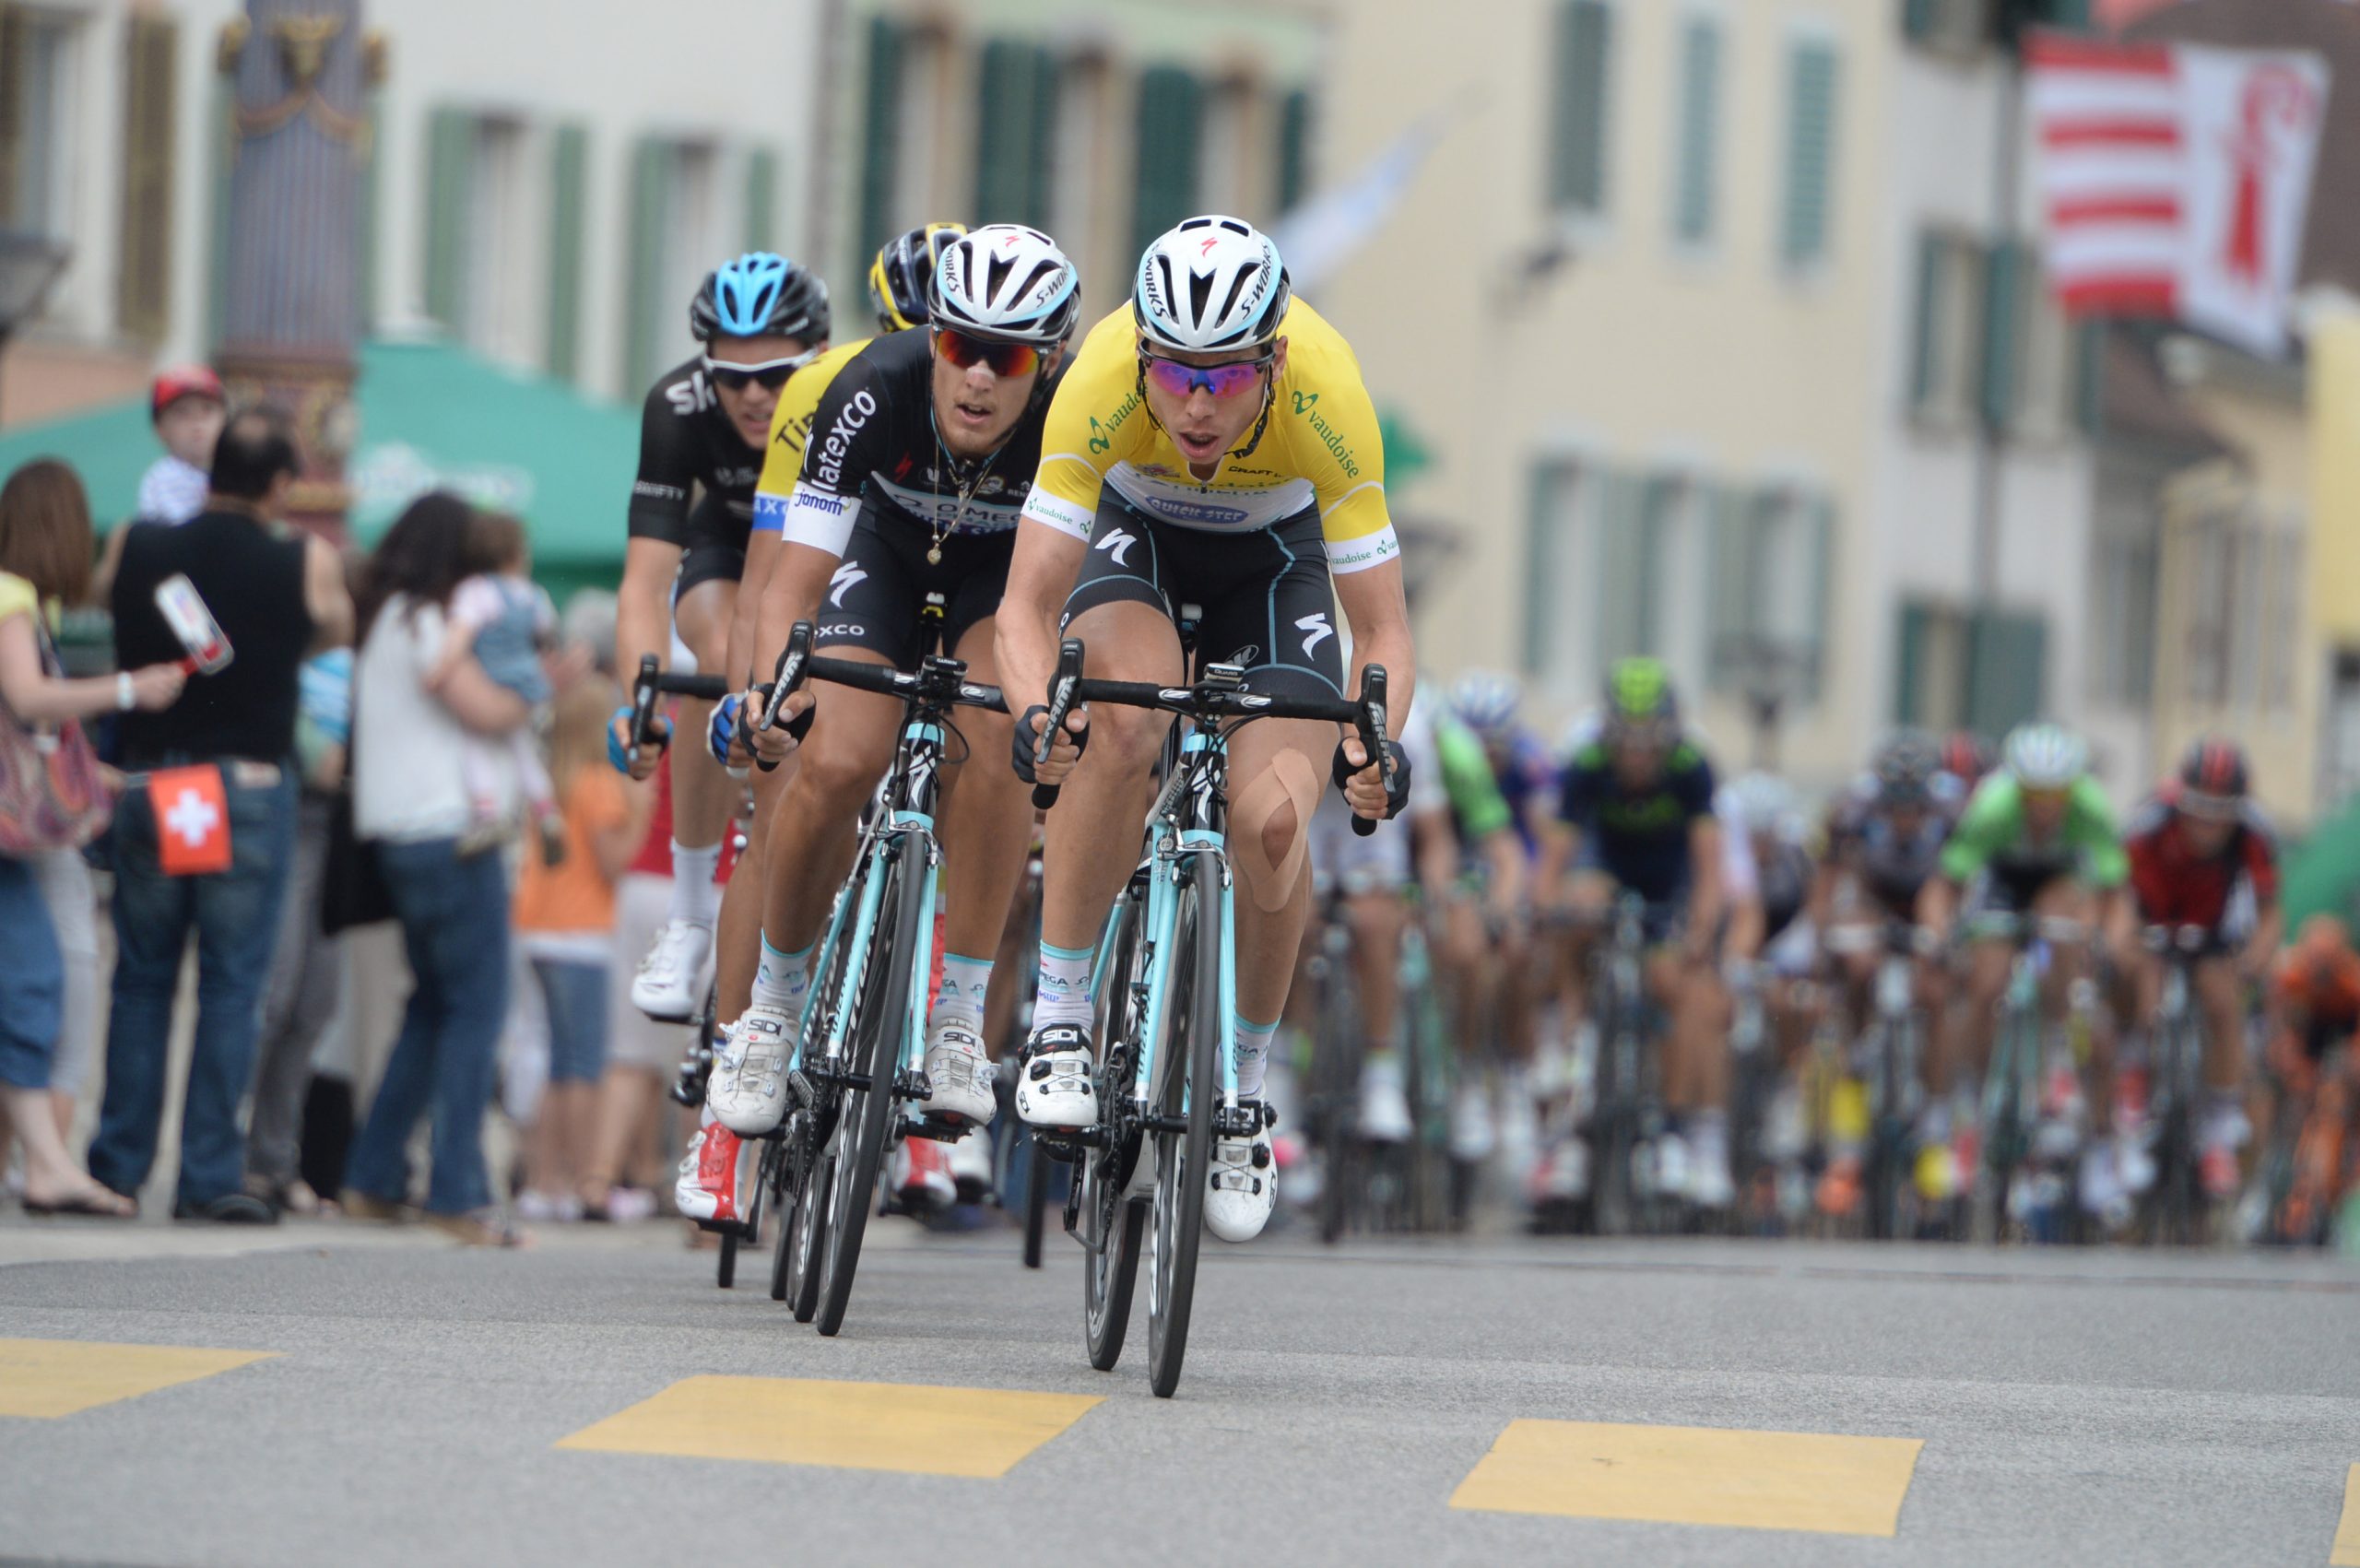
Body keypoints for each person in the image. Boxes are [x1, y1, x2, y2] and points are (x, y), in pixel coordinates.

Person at [997, 215, 1415, 1245]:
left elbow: (1383, 631)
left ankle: (1241, 1093)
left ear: (1272, 361)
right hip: (1137, 541)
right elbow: (1023, 609)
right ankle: (1058, 1017)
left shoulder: (1329, 395)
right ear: (1141, 353)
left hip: (1276, 563)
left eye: (1225, 380)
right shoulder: (1096, 378)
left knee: (1273, 823)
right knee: (1121, 725)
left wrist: (1376, 747)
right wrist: (1035, 714)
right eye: (1174, 372)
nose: (1194, 403)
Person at [720, 225, 1083, 1213]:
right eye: (957, 345)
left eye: (1004, 356)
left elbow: (1051, 609)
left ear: (1044, 362)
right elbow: (792, 578)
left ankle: (958, 1015)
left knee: (1002, 746)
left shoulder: (1074, 419)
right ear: (931, 340)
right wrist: (769, 691)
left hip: (997, 589)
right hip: (881, 560)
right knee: (835, 760)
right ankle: (772, 1007)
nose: (974, 374)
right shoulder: (870, 387)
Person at [666, 223, 957, 1221]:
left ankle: (924, 1074)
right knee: (786, 799)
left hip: (963, 591)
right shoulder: (832, 390)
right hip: (852, 583)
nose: (942, 363)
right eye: (920, 334)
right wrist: (759, 704)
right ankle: (727, 1093)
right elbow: (768, 583)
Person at [89, 409, 353, 1224]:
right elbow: (335, 628)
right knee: (232, 985)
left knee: (141, 979)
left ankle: (119, 1168)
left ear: (209, 478)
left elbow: (105, 604)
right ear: (280, 485)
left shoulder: (134, 541)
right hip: (242, 788)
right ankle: (207, 1172)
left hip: (149, 781)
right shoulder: (303, 556)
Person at [609, 252, 831, 1026]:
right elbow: (643, 582)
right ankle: (692, 912)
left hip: (825, 552)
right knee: (710, 663)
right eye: (731, 377)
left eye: (774, 375)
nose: (753, 395)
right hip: (729, 548)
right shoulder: (675, 404)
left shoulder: (846, 391)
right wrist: (639, 698)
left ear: (814, 358)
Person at [342, 493, 536, 1246]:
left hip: (396, 835)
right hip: (454, 834)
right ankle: (458, 1189)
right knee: (475, 1008)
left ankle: (373, 1173)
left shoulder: (386, 617)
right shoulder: (429, 619)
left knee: (431, 1005)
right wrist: (535, 684)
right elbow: (483, 709)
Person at [0, 459, 183, 1217]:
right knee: (40, 979)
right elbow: (28, 696)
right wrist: (129, 687)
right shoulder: (12, 598)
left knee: (32, 980)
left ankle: (42, 1158)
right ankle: (46, 1164)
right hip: (14, 835)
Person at [1545, 657, 1732, 1210]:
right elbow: (1553, 865)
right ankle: (1576, 1028)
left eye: (1650, 744)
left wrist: (1699, 932)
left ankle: (1672, 1128)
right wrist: (1544, 912)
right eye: (1628, 742)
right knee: (1576, 906)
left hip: (1666, 887)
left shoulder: (1691, 768)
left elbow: (1709, 870)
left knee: (1676, 983)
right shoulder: (1586, 765)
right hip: (1605, 875)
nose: (1638, 756)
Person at [1922, 722, 2129, 1218]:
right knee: (1985, 981)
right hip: (2002, 882)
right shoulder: (1993, 807)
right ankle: (1970, 1095)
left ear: (2070, 789)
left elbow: (2114, 897)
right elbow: (1945, 885)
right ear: (2018, 787)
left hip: (2058, 882)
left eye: (2054, 794)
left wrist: (2106, 946)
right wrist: (1938, 935)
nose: (2044, 805)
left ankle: (2056, 1053)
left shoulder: (2091, 808)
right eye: (2033, 794)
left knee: (2063, 928)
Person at [2111, 738, 2281, 1199]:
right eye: (2198, 809)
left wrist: (2253, 961)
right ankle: (2137, 1082)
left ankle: (2219, 1125)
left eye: (2220, 813)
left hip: (2215, 923)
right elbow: (2122, 897)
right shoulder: (2148, 821)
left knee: (2222, 997)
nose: (2208, 824)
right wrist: (2121, 941)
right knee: (2144, 978)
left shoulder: (2255, 833)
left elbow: (2269, 915)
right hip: (2155, 915)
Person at [513, 675, 647, 1220]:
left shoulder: (549, 781)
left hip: (537, 930)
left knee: (555, 1061)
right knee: (584, 1064)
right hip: (582, 938)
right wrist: (642, 809)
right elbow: (614, 862)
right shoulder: (598, 783)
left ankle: (543, 1181)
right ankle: (578, 1180)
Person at [1811, 730, 1964, 1200]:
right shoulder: (1850, 813)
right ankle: (1857, 1064)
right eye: (1894, 804)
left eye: (1912, 805)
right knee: (1856, 966)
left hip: (1927, 901)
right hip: (1872, 903)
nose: (1903, 816)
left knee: (1936, 994)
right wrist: (1826, 937)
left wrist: (1945, 940)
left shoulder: (1953, 815)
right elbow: (1829, 886)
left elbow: (1957, 888)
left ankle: (1935, 1128)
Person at [243, 643, 354, 1215]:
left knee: (313, 1005)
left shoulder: (352, 663)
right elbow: (324, 763)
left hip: (337, 834)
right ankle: (233, 1156)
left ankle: (273, 1160)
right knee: (275, 996)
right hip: (291, 821)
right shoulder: (292, 663)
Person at [434, 512, 561, 858]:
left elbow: (461, 634)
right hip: (528, 681)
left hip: (490, 680)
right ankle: (547, 813)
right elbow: (547, 633)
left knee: (473, 742)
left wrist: (441, 669)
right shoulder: (533, 594)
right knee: (525, 751)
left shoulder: (476, 592)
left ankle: (486, 813)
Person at [137, 365, 227, 526]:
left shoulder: (237, 472)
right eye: (182, 412)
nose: (197, 422)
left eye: (207, 409)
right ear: (160, 429)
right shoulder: (163, 479)